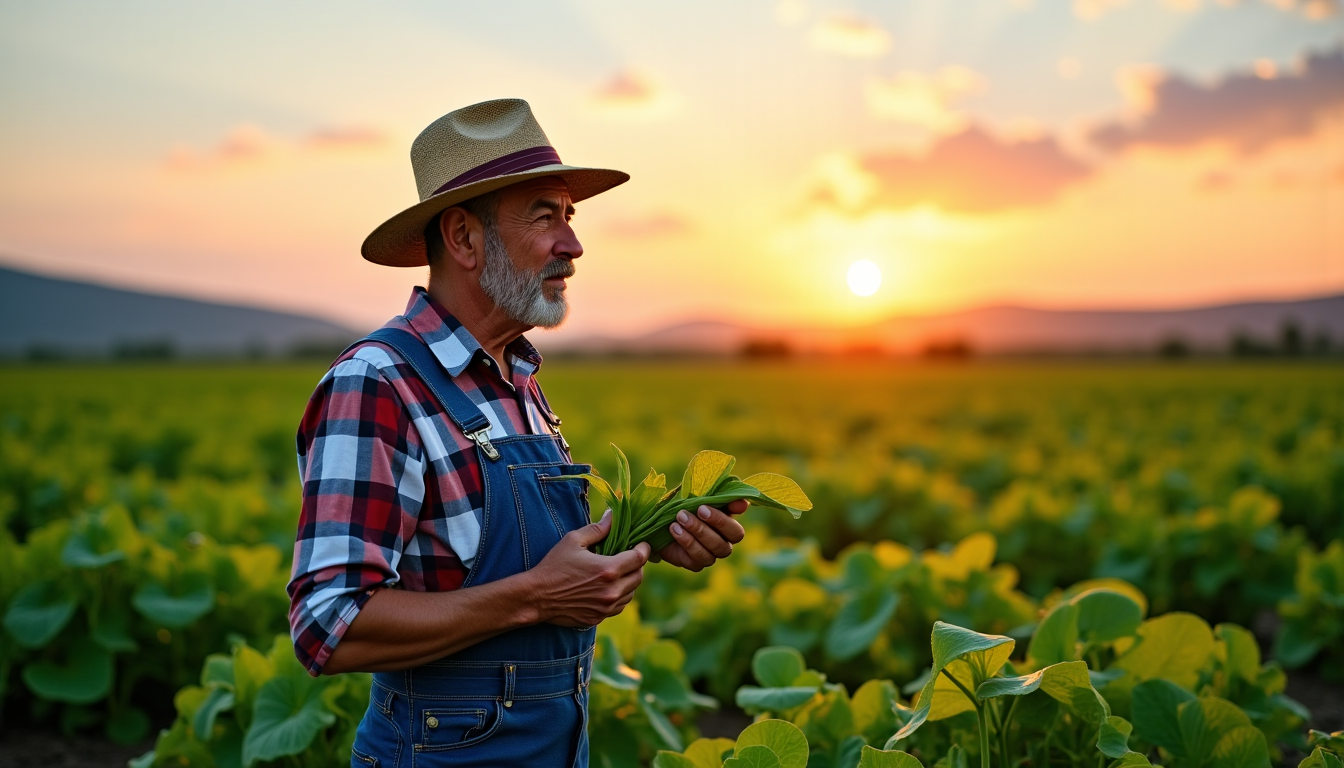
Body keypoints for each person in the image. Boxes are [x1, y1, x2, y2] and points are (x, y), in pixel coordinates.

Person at [287, 99, 748, 768]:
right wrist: (534, 599)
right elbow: (327, 626)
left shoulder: (517, 378)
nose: (573, 244)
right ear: (465, 239)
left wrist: (646, 537)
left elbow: (534, 564)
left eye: (569, 217)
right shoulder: (378, 385)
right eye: (543, 217)